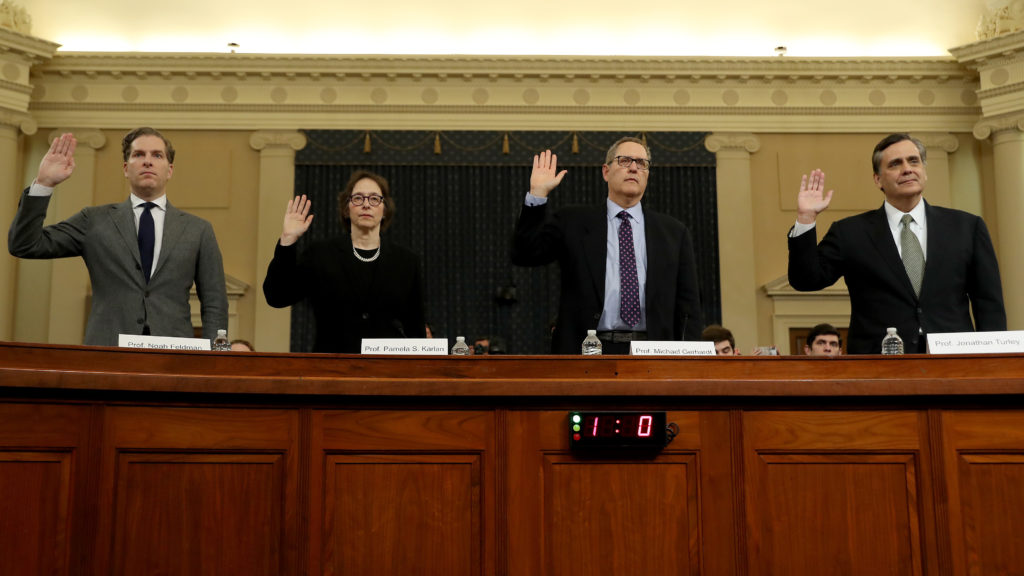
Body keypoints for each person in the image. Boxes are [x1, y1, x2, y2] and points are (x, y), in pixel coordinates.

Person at [788, 133, 1006, 354]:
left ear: (924, 170)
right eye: (895, 164)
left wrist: (994, 362)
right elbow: (806, 280)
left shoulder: (967, 227)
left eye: (914, 161)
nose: (907, 169)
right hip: (878, 366)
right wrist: (806, 218)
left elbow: (988, 303)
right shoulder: (850, 232)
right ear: (877, 179)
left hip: (954, 362)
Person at [8, 128, 228, 346]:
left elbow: (215, 301)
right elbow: (25, 244)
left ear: (169, 170)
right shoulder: (93, 220)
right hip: (107, 351)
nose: (148, 161)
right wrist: (44, 184)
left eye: (157, 155)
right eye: (139, 154)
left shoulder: (198, 230)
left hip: (174, 356)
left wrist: (215, 359)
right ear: (125, 168)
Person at [512, 137, 703, 354]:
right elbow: (524, 254)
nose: (633, 168)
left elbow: (689, 307)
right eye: (624, 161)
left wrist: (691, 359)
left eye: (641, 163)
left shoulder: (674, 233)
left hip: (653, 353)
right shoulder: (573, 222)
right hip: (586, 350)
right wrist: (538, 194)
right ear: (605, 171)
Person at [263, 170, 425, 353]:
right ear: (346, 209)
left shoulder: (406, 261)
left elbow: (416, 328)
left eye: (374, 199)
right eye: (358, 198)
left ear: (385, 209)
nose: (366, 205)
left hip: (387, 372)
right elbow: (277, 296)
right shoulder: (320, 254)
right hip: (331, 369)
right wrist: (287, 239)